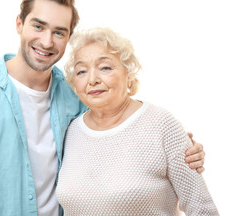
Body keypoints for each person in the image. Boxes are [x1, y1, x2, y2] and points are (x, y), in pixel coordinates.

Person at [0, 0, 206, 216]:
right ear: (19, 23)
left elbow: (120, 133)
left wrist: (179, 151)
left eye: (59, 32)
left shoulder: (77, 97)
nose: (47, 41)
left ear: (68, 37)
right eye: (38, 26)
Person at [56, 27, 219, 215]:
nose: (92, 79)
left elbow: (202, 209)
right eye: (81, 71)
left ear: (128, 73)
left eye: (105, 68)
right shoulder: (70, 131)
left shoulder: (162, 124)